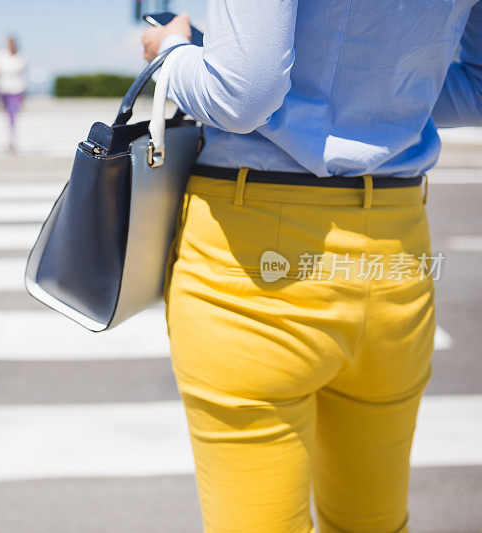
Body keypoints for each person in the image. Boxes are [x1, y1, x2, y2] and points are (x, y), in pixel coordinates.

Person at [140, 3, 481, 532]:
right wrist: (381, 106)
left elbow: (241, 95)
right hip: (395, 252)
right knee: (374, 524)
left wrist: (169, 52)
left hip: (252, 259)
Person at [0, 36, 28, 153]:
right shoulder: (1, 55)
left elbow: (22, 74)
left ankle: (11, 140)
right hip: (3, 89)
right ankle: (8, 137)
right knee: (6, 115)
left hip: (16, 90)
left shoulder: (22, 56)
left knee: (13, 115)